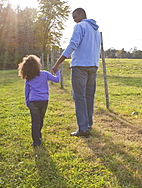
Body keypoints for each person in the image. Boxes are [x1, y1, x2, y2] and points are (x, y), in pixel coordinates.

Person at [52, 8, 101, 137]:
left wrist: (58, 63)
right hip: (93, 66)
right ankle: (88, 123)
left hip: (80, 67)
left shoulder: (80, 26)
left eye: (75, 16)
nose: (74, 19)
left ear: (81, 14)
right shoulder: (95, 30)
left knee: (79, 97)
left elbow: (73, 45)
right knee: (89, 96)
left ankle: (83, 128)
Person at [18, 55, 60, 147]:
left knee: (35, 121)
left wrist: (27, 101)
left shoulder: (28, 77)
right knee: (41, 119)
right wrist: (57, 71)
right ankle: (38, 134)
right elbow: (57, 80)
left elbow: (27, 91)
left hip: (33, 100)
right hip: (44, 100)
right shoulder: (44, 74)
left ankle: (36, 140)